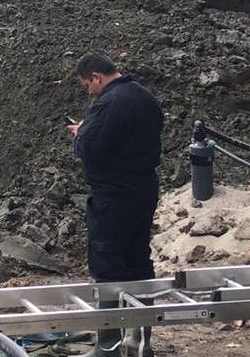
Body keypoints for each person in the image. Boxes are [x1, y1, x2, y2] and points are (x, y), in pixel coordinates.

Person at [66, 53, 163, 357]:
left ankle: (108, 347)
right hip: (144, 190)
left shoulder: (109, 103)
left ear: (96, 77)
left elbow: (89, 148)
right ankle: (141, 339)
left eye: (87, 85)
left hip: (112, 198)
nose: (89, 91)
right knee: (138, 260)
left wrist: (80, 133)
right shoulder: (146, 97)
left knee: (108, 265)